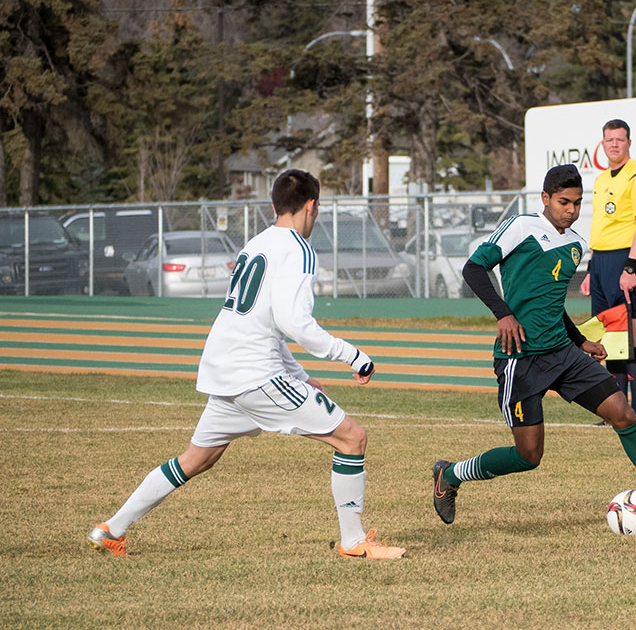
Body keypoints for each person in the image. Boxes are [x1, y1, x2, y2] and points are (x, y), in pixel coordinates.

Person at [87, 169, 406, 560]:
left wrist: (302, 376)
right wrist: (353, 356)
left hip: (226, 368)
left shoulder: (256, 243)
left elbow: (263, 322)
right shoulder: (299, 249)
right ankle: (354, 543)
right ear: (313, 206)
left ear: (274, 206)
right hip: (256, 373)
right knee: (351, 438)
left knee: (196, 458)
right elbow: (295, 324)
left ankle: (111, 529)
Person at [432, 164, 636, 525]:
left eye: (577, 203)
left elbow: (551, 302)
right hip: (521, 357)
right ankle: (449, 475)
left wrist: (580, 340)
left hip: (563, 353)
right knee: (528, 456)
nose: (571, 210)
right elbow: (473, 269)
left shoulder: (575, 244)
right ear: (545, 198)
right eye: (563, 202)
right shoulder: (522, 227)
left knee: (623, 414)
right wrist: (503, 314)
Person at [580, 119, 636, 426]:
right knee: (609, 340)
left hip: (625, 261)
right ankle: (617, 412)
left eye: (619, 140)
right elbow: (600, 226)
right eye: (608, 140)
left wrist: (630, 267)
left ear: (628, 143)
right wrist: (590, 268)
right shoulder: (600, 179)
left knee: (631, 340)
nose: (613, 145)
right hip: (600, 263)